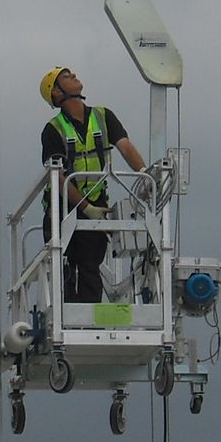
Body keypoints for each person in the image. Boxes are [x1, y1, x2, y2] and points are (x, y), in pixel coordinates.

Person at [37, 66, 147, 303]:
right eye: (66, 77)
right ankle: (70, 317)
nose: (74, 75)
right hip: (62, 208)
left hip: (95, 203)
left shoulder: (102, 116)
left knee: (90, 266)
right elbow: (57, 175)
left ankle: (88, 318)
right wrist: (86, 208)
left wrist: (146, 175)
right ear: (56, 93)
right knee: (65, 267)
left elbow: (126, 148)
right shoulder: (52, 130)